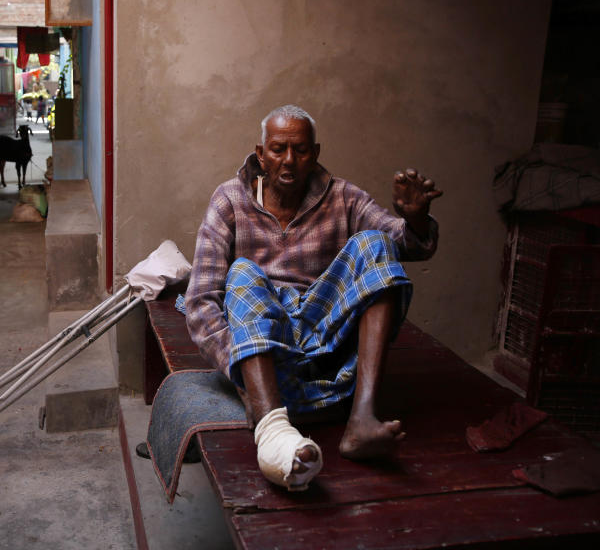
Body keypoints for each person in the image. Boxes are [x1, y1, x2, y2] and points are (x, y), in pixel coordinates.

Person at [184, 104, 442, 491]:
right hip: (265, 349)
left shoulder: (344, 197)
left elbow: (405, 243)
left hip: (326, 341)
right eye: (278, 149)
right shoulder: (230, 201)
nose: (289, 160)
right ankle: (274, 428)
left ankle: (362, 419)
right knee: (241, 272)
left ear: (315, 154)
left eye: (301, 150)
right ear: (260, 154)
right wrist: (241, 376)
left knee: (374, 244)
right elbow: (200, 303)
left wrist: (417, 220)